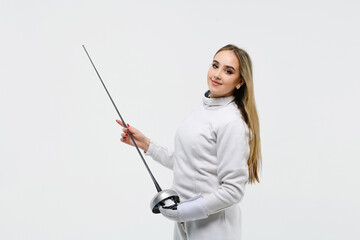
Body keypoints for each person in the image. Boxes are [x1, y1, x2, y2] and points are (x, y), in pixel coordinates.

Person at [116, 44, 261, 240]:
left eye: (228, 71)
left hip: (214, 229)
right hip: (186, 223)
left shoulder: (232, 122)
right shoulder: (202, 109)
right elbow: (188, 163)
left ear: (240, 81)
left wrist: (185, 210)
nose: (217, 74)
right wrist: (146, 144)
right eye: (215, 65)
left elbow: (233, 191)